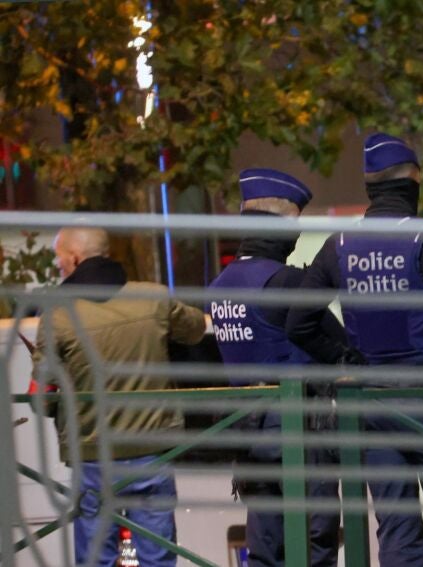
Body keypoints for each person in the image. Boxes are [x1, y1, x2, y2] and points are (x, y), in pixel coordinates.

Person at [286, 132, 423, 566]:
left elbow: (298, 323)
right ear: (414, 180)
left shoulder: (338, 246)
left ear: (370, 187)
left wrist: (343, 359)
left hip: (372, 406)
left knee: (398, 530)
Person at [31, 227, 206, 567]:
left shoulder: (58, 316)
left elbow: (42, 397)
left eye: (59, 258)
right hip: (151, 450)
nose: (58, 266)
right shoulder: (153, 298)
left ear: (75, 259)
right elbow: (196, 328)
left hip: (94, 457)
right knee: (157, 556)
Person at [208, 169, 348, 566]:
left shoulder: (219, 286)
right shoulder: (285, 282)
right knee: (315, 540)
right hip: (301, 434)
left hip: (247, 436)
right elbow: (340, 344)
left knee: (265, 542)